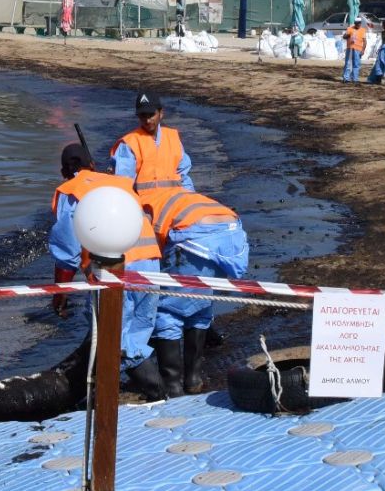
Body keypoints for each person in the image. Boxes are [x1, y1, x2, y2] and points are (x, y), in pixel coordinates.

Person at [147, 189, 249, 395]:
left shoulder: (143, 205)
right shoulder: (173, 194)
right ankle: (193, 379)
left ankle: (172, 384)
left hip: (193, 239)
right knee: (201, 302)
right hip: (230, 232)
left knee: (169, 308)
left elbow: (150, 249)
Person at [47, 141, 135, 315]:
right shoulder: (120, 181)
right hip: (149, 262)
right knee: (154, 325)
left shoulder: (71, 190)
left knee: (106, 324)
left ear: (63, 173)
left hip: (114, 266)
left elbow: (68, 251)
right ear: (92, 165)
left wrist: (59, 297)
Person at [113, 91, 194, 201]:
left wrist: (190, 198)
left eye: (151, 115)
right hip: (145, 205)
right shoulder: (129, 144)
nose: (147, 120)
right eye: (143, 115)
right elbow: (123, 183)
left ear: (161, 113)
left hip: (173, 203)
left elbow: (184, 177)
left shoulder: (173, 138)